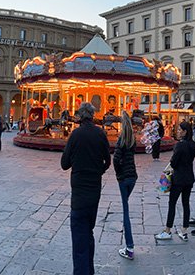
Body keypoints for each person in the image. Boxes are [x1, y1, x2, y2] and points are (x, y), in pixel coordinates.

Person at [60, 103, 110, 275]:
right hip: (95, 192)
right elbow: (108, 161)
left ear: (80, 116)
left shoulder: (75, 135)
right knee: (88, 233)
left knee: (79, 238)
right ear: (93, 114)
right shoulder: (101, 133)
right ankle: (89, 270)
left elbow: (64, 164)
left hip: (79, 194)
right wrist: (98, 171)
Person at [156, 121, 195, 242]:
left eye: (179, 130)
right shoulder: (193, 144)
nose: (178, 132)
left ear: (185, 132)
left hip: (178, 179)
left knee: (172, 203)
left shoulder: (180, 145)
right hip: (189, 178)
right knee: (185, 203)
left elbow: (174, 162)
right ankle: (184, 230)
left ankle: (168, 230)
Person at [113, 112, 138, 260]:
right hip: (133, 177)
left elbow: (116, 160)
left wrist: (118, 174)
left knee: (125, 212)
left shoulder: (121, 139)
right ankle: (128, 245)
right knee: (125, 206)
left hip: (124, 178)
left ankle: (129, 247)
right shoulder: (132, 139)